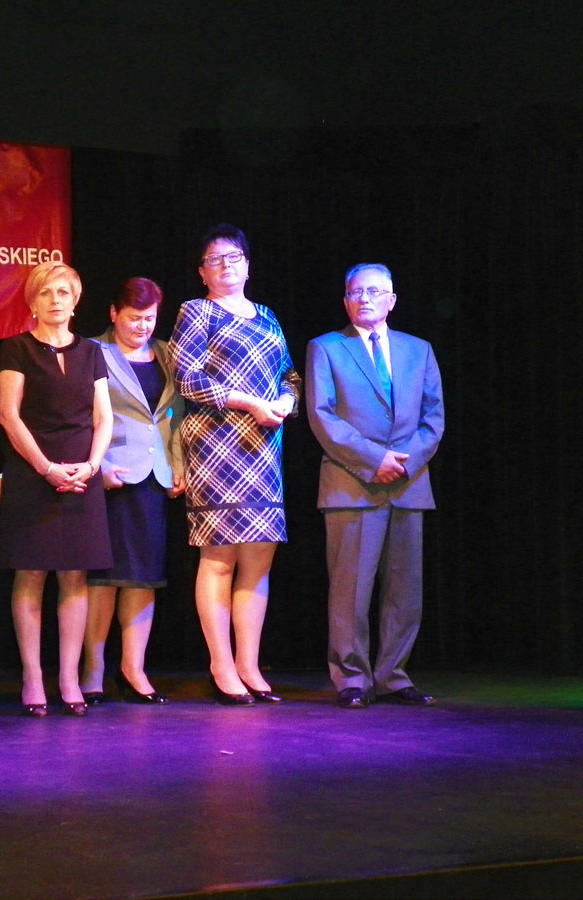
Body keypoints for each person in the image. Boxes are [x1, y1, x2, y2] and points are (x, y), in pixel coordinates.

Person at [168, 223, 300, 705]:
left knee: (259, 559)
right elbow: (187, 377)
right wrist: (248, 402)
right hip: (217, 443)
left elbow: (290, 374)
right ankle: (221, 665)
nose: (226, 265)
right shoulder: (196, 311)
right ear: (202, 272)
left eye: (234, 257)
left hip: (264, 447)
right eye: (215, 259)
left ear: (248, 265)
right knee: (220, 558)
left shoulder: (267, 315)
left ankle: (249, 664)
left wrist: (285, 401)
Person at [304, 263, 445, 709]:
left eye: (373, 291)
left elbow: (433, 418)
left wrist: (403, 463)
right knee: (351, 591)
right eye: (355, 292)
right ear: (345, 300)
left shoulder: (418, 350)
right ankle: (352, 678)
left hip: (408, 483)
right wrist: (373, 461)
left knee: (404, 590)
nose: (364, 299)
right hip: (352, 484)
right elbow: (322, 416)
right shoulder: (326, 347)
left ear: (392, 300)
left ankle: (393, 676)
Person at [0, 261, 112, 717]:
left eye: (63, 292)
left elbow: (103, 417)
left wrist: (92, 466)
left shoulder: (92, 352)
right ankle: (32, 677)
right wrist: (45, 468)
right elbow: (9, 416)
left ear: (75, 300)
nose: (55, 300)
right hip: (33, 472)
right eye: (46, 293)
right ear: (33, 302)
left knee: (75, 575)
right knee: (31, 573)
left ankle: (68, 678)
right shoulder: (17, 348)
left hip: (82, 474)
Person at [80, 277, 184, 705]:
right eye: (134, 318)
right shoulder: (92, 351)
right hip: (111, 476)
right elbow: (79, 416)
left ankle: (133, 669)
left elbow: (176, 413)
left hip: (154, 478)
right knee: (103, 579)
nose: (143, 326)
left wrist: (179, 466)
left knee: (143, 577)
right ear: (113, 314)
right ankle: (93, 670)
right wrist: (98, 467)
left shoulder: (168, 353)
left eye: (150, 318)